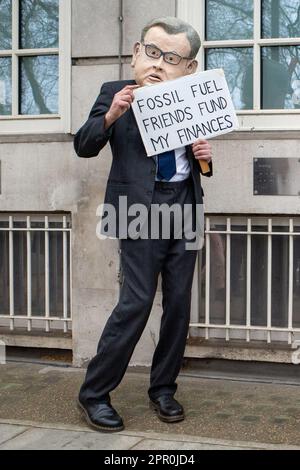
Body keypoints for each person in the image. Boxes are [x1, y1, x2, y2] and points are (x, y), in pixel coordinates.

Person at [74, 16, 213, 433]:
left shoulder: (191, 97)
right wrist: (113, 114)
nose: (158, 63)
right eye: (152, 52)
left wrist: (204, 153)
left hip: (185, 205)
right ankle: (94, 394)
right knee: (135, 302)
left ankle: (163, 389)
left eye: (171, 57)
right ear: (136, 53)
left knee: (179, 303)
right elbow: (84, 145)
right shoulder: (114, 94)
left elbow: (198, 164)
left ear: (188, 68)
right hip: (137, 209)